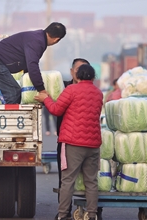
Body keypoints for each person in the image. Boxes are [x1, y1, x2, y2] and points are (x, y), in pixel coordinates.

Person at [35, 64, 103, 220]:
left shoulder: (71, 90)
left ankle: (63, 215)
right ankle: (92, 215)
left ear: (77, 76)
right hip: (93, 144)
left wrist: (46, 99)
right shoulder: (98, 93)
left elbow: (56, 110)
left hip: (73, 143)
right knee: (91, 181)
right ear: (93, 78)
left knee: (67, 181)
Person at [0, 22, 66, 104]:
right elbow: (32, 65)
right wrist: (41, 90)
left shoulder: (38, 37)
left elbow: (28, 64)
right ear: (56, 39)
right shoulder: (37, 41)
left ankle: (9, 116)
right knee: (13, 92)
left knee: (14, 91)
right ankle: (9, 119)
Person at [55, 58, 90, 220]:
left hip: (78, 140)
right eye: (77, 69)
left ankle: (89, 212)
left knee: (87, 179)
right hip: (66, 141)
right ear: (71, 71)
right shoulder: (61, 87)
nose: (80, 72)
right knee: (66, 179)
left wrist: (46, 100)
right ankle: (65, 211)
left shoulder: (86, 90)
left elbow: (55, 109)